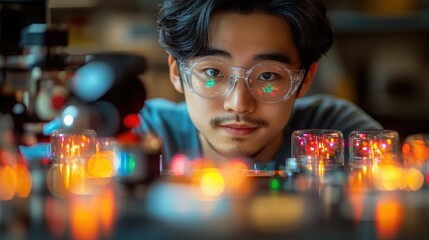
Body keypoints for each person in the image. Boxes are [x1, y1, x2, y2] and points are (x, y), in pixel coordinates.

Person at [138, 0, 382, 167]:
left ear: (305, 79)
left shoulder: (341, 138)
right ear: (176, 72)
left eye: (267, 75)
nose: (239, 105)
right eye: (213, 72)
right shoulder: (140, 137)